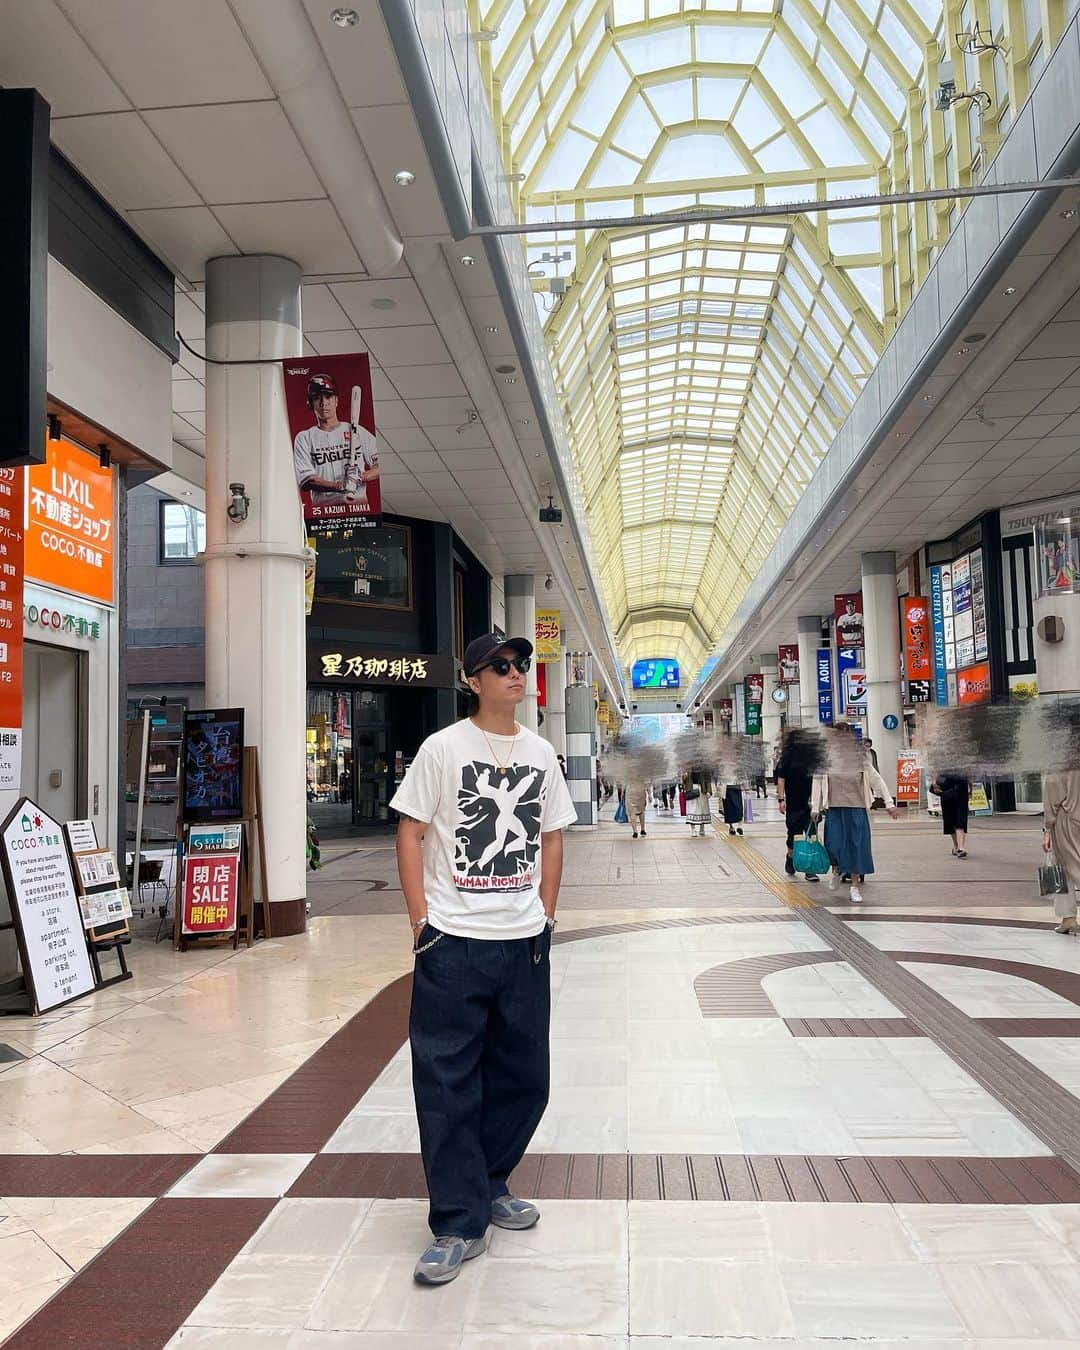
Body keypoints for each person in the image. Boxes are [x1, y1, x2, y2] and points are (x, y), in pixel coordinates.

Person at [390, 633, 578, 1285]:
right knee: (446, 1082)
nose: (515, 674)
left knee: (527, 1077)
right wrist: (422, 921)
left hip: (523, 942)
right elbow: (410, 831)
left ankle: (490, 1180)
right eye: (500, 666)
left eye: (520, 664)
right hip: (454, 942)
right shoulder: (443, 749)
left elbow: (552, 835)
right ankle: (456, 1220)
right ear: (473, 680)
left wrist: (546, 913)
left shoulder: (541, 753)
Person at [810, 725, 898, 903]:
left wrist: (889, 803)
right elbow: (817, 782)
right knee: (833, 845)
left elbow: (876, 779)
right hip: (834, 809)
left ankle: (854, 887)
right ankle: (836, 870)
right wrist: (815, 807)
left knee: (857, 847)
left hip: (857, 809)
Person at [292, 372, 379, 507]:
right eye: (317, 397)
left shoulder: (356, 430)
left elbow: (381, 465)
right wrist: (340, 485)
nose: (323, 403)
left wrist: (361, 476)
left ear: (336, 400)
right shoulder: (304, 438)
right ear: (310, 403)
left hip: (358, 509)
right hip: (323, 513)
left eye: (328, 396)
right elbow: (307, 480)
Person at [775, 728, 819, 883]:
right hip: (793, 802)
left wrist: (818, 800)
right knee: (794, 832)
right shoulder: (786, 758)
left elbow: (819, 779)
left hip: (811, 801)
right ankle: (790, 856)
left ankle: (809, 868)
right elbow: (781, 779)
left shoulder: (812, 757)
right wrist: (781, 799)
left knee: (811, 833)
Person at [1042, 770, 1080, 934]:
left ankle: (1068, 918)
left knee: (1065, 866)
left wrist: (1047, 828)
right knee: (1063, 866)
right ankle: (1067, 918)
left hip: (1066, 818)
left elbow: (1052, 794)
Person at [931, 773, 970, 858]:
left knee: (961, 816)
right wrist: (934, 783)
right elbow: (934, 767)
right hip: (946, 785)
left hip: (961, 785)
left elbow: (968, 770)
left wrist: (970, 785)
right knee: (949, 818)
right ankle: (956, 845)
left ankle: (961, 848)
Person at [686, 772, 712, 837]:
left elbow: (708, 779)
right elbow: (683, 780)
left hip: (702, 790)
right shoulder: (686, 766)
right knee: (692, 810)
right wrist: (684, 776)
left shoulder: (704, 765)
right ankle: (693, 829)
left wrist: (709, 791)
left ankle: (702, 828)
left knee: (702, 809)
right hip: (691, 790)